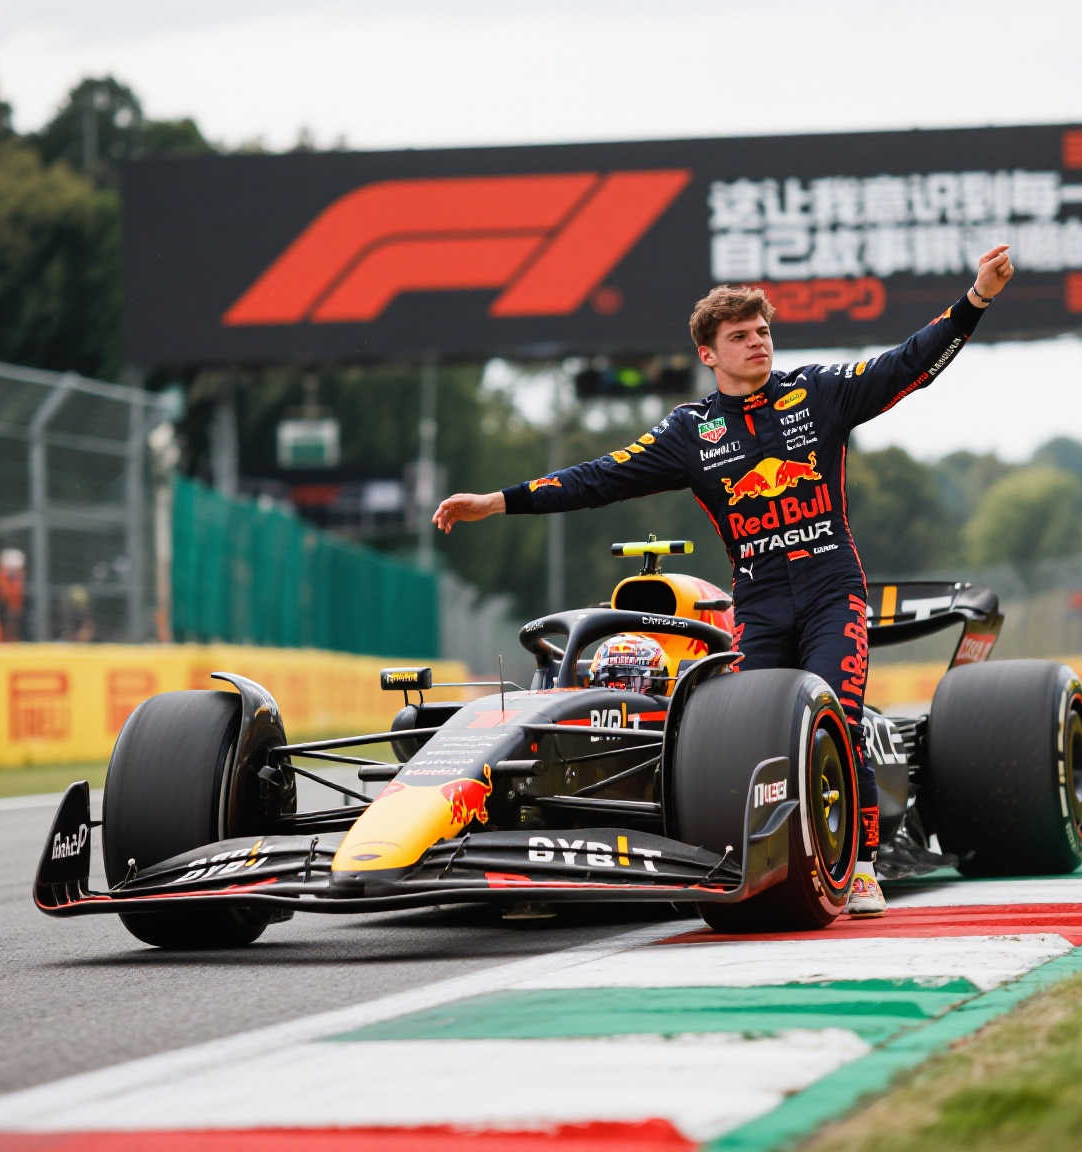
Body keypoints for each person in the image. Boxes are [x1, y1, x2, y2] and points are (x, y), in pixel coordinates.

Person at [434, 243, 1016, 918]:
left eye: (762, 332)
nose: (757, 343)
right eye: (740, 336)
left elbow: (908, 364)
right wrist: (496, 502)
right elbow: (598, 478)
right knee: (746, 737)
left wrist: (976, 300)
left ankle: (858, 866)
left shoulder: (818, 393)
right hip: (759, 606)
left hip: (833, 593)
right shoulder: (690, 431)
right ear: (708, 354)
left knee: (837, 717)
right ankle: (750, 858)